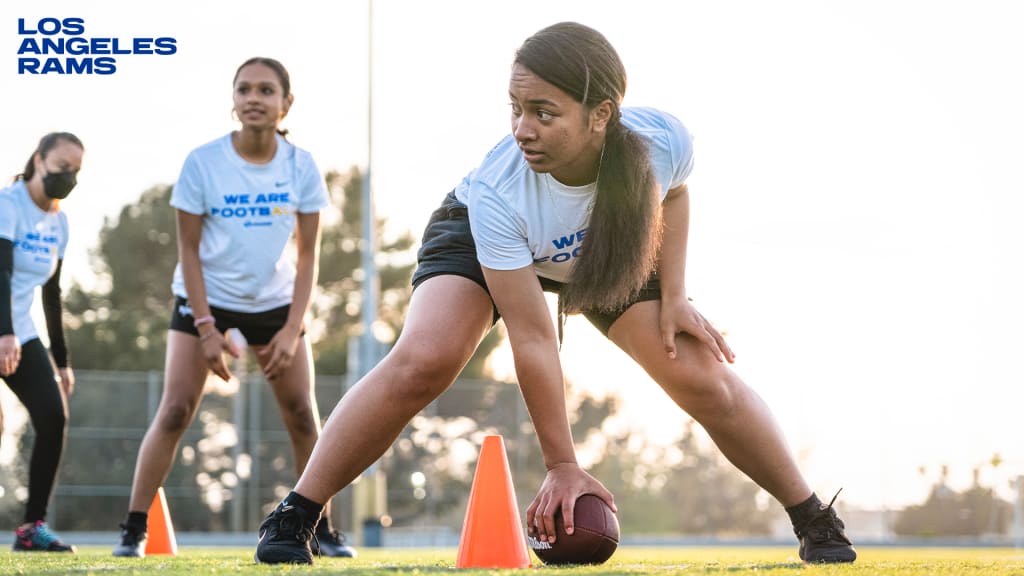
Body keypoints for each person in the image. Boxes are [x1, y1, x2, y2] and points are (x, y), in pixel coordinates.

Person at [254, 22, 857, 565]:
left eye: (544, 112)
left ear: (602, 113)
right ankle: (297, 515)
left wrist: (674, 294)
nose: (523, 129)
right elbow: (535, 338)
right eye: (515, 109)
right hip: (480, 236)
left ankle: (813, 520)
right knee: (424, 360)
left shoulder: (661, 141)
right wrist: (562, 465)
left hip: (602, 240)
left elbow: (672, 194)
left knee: (700, 375)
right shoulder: (498, 192)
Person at [112, 57, 354, 558]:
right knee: (176, 410)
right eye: (244, 89)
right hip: (208, 301)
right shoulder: (203, 163)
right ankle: (134, 529)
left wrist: (291, 329)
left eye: (266, 90)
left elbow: (309, 256)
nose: (253, 98)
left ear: (286, 103)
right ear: (233, 101)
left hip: (276, 305)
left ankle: (322, 528)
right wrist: (204, 328)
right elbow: (188, 252)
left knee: (304, 417)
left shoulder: (301, 165)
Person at [1, 132, 84, 553]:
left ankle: (32, 528)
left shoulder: (59, 222)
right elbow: (0, 272)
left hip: (18, 329)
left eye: (75, 172)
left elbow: (52, 294)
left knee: (53, 415)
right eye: (61, 168)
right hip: (5, 328)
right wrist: (3, 333)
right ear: (38, 160)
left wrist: (61, 359)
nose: (67, 178)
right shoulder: (7, 203)